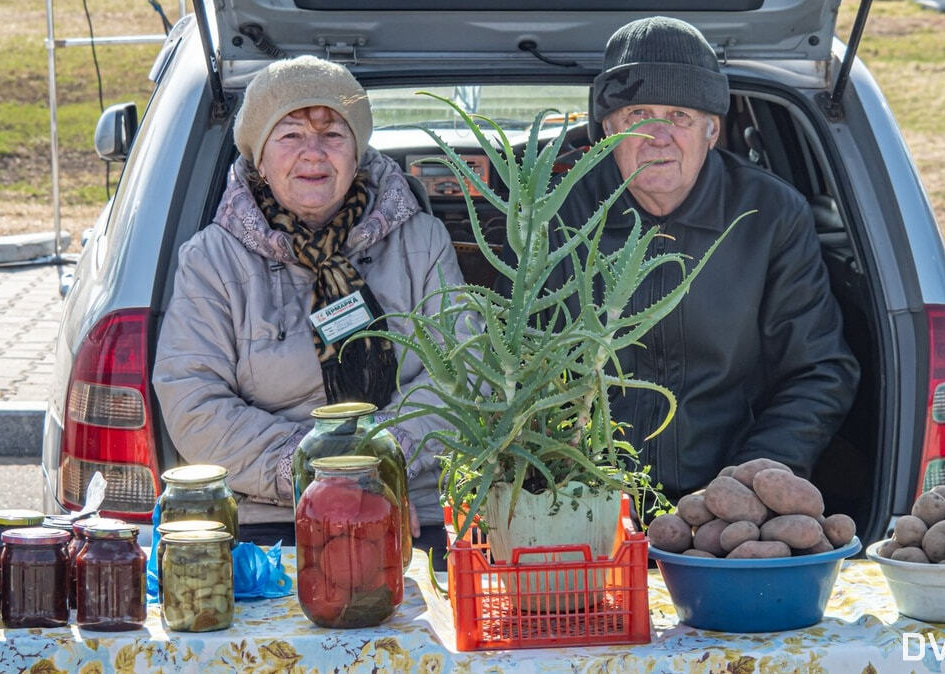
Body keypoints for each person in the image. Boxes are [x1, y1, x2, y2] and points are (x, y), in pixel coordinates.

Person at [531, 17, 861, 506]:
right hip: (581, 498)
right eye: (636, 113)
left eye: (680, 115)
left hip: (729, 500)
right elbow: (521, 362)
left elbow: (819, 370)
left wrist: (748, 484)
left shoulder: (769, 215)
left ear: (712, 130)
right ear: (606, 130)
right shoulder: (559, 213)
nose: (658, 135)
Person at [153, 56, 464, 551]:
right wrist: (313, 472)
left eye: (333, 134)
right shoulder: (212, 258)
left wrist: (379, 464)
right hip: (272, 520)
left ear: (357, 151)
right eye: (291, 135)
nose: (313, 153)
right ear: (259, 157)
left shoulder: (421, 241)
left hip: (411, 508)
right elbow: (193, 399)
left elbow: (462, 376)